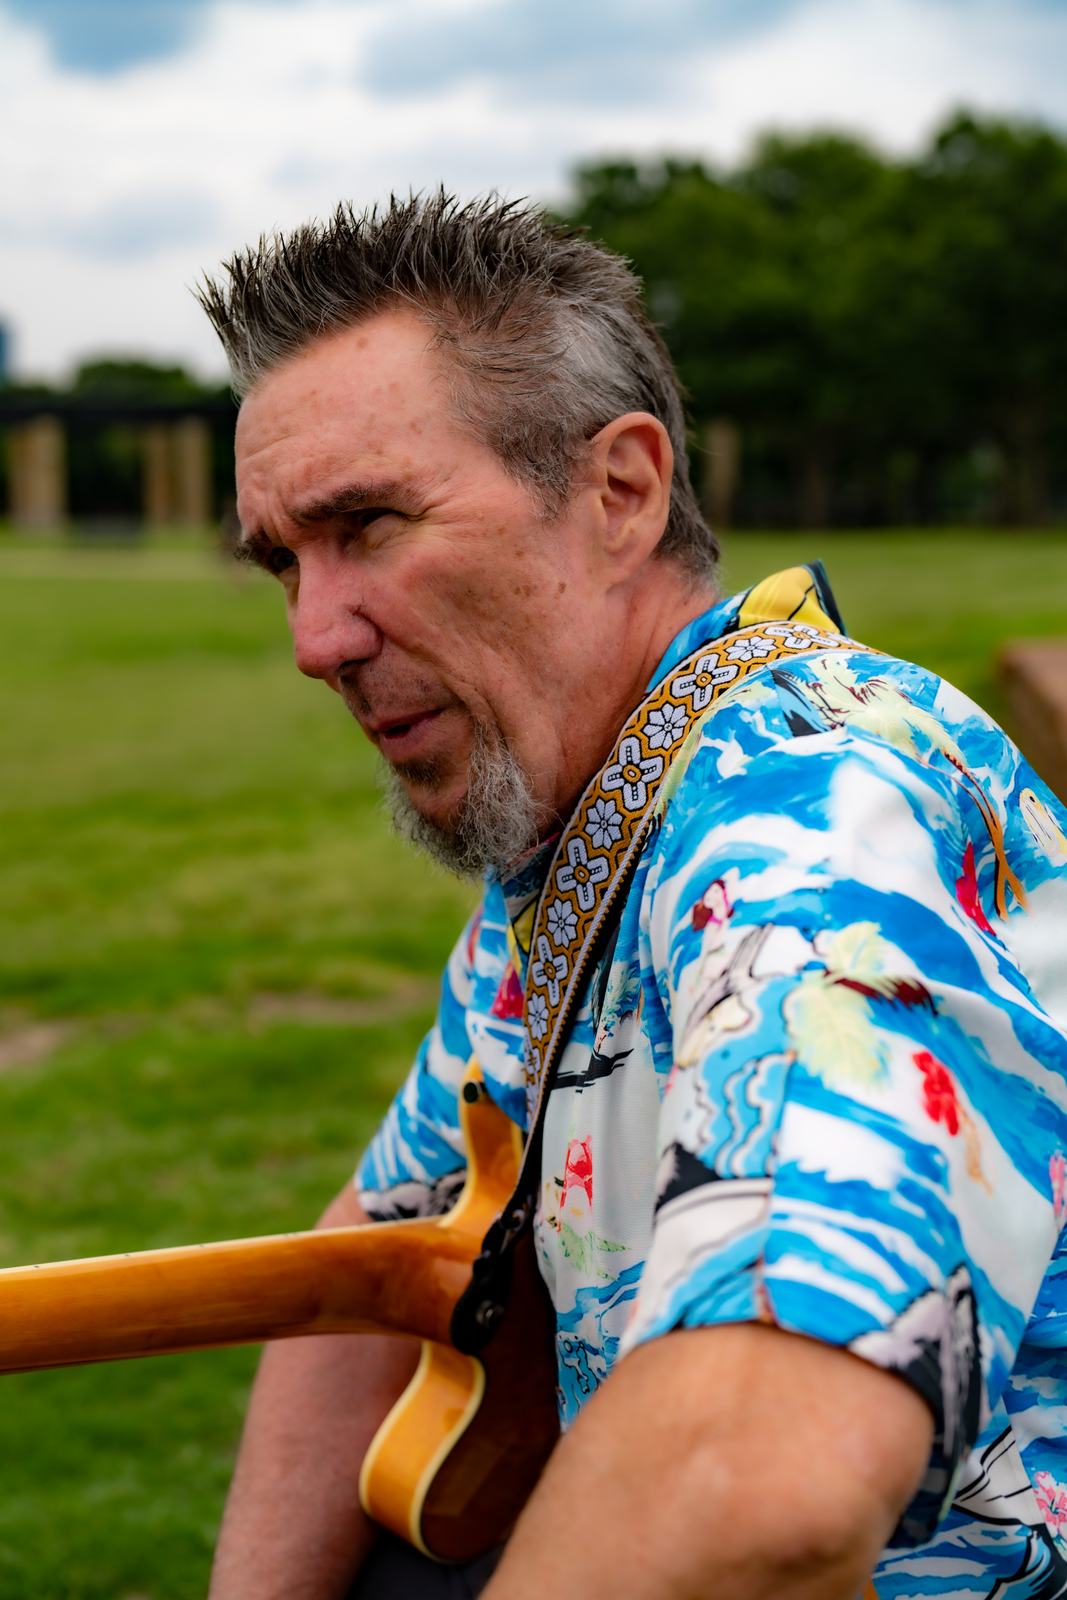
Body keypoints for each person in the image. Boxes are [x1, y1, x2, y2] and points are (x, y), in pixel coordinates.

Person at [199, 193, 1067, 1600]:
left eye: (370, 525)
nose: (313, 636)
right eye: (285, 563)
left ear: (619, 492)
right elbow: (376, 1242)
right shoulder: (589, 820)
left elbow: (763, 1477)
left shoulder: (806, 814)